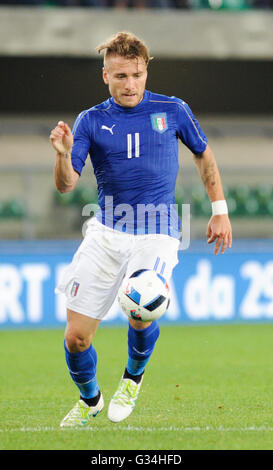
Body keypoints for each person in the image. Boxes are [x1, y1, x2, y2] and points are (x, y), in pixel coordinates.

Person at [50, 31, 232, 427]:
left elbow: (203, 153)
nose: (129, 84)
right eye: (120, 77)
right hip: (105, 232)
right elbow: (66, 184)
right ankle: (90, 400)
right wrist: (63, 156)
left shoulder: (173, 109)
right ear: (105, 76)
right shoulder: (91, 121)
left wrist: (220, 209)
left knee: (142, 304)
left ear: (146, 71)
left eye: (135, 75)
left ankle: (132, 377)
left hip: (158, 230)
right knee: (75, 339)